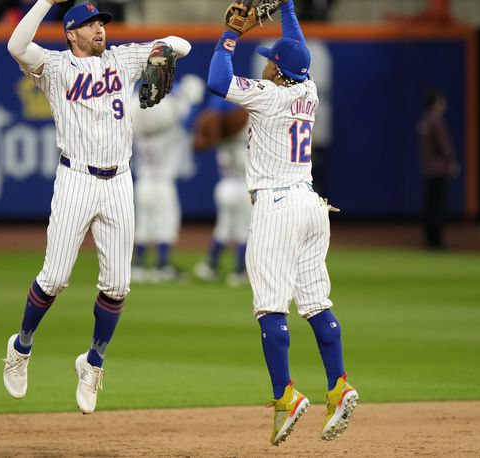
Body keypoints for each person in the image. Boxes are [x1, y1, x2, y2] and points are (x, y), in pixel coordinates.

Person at [1, 0, 191, 414]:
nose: (99, 29)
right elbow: (17, 45)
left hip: (119, 180)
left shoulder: (123, 58)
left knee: (118, 285)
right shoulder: (55, 68)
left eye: (101, 22)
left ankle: (92, 363)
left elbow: (183, 44)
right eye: (89, 24)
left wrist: (162, 52)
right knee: (53, 278)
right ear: (71, 34)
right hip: (76, 178)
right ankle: (20, 347)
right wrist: (47, 3)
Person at [207, 0, 358, 445]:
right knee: (316, 302)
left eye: (271, 60)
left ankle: (285, 397)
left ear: (277, 69)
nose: (268, 64)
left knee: (270, 307)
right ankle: (338, 384)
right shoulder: (307, 90)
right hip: (313, 206)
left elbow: (218, 80)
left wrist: (230, 35)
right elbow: (300, 50)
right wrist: (288, 5)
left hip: (277, 206)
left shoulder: (268, 96)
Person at [129, 74, 205, 283]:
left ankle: (138, 266)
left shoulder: (139, 124)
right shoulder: (170, 124)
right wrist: (189, 98)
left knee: (143, 225)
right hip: (162, 182)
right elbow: (188, 120)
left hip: (142, 181)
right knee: (165, 225)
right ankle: (162, 266)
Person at [192, 94, 251, 287]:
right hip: (242, 187)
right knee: (244, 231)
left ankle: (210, 265)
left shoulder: (222, 135)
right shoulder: (243, 133)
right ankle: (239, 271)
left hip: (224, 186)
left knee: (223, 229)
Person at [418, 89, 459, 250]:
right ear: (436, 102)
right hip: (439, 169)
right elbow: (444, 146)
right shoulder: (436, 121)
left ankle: (429, 239)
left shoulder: (424, 120)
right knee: (438, 206)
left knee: (430, 205)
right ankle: (436, 241)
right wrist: (451, 162)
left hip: (428, 168)